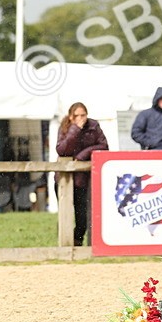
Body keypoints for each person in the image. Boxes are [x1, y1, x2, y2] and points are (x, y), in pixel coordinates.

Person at [55, 102, 109, 246]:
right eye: (77, 115)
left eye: (83, 115)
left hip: (84, 178)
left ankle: (77, 241)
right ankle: (64, 244)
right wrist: (75, 130)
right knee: (65, 214)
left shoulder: (93, 126)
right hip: (64, 178)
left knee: (82, 215)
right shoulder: (65, 127)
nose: (81, 118)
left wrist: (83, 155)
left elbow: (104, 146)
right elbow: (62, 150)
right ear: (71, 116)